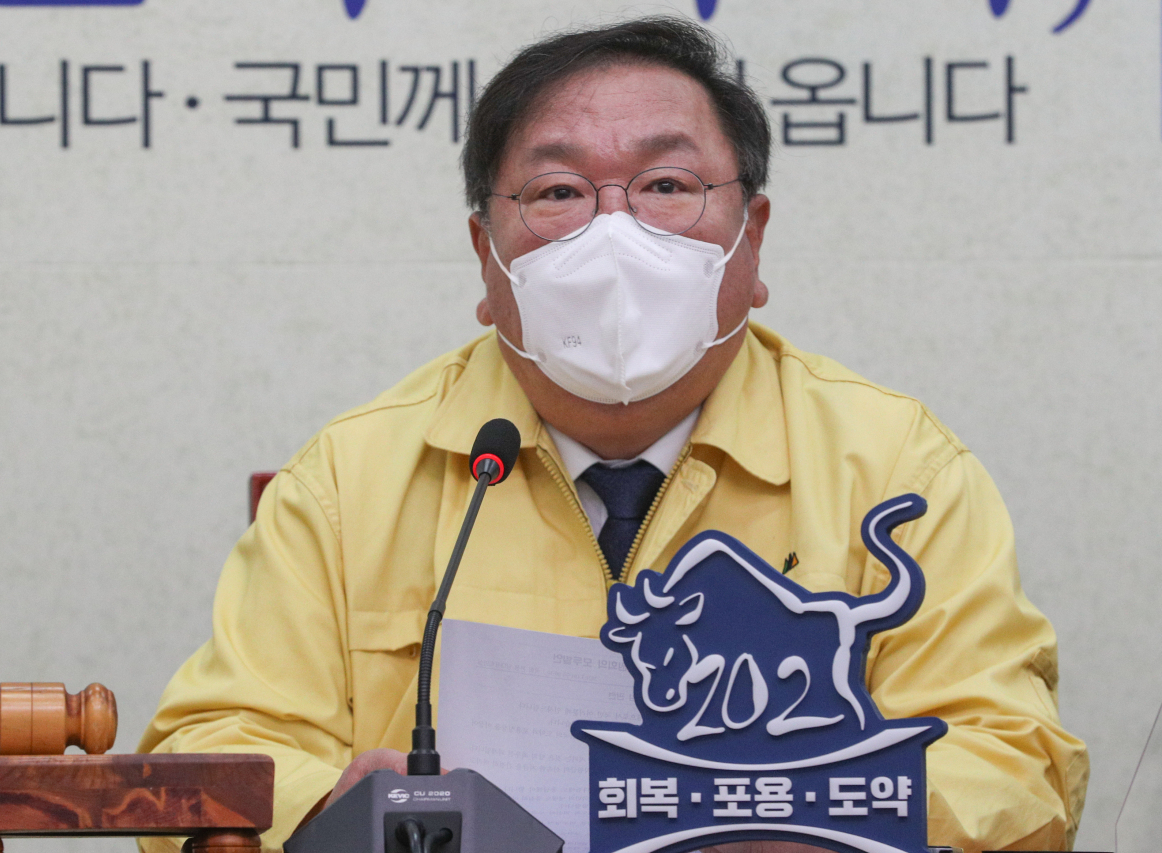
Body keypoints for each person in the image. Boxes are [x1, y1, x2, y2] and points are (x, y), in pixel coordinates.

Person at [138, 16, 1087, 853]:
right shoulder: (352, 478)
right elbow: (210, 753)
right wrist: (328, 812)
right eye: (558, 194)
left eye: (667, 184)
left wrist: (823, 819)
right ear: (487, 255)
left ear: (751, 239)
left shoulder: (895, 467)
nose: (615, 235)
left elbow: (1016, 765)